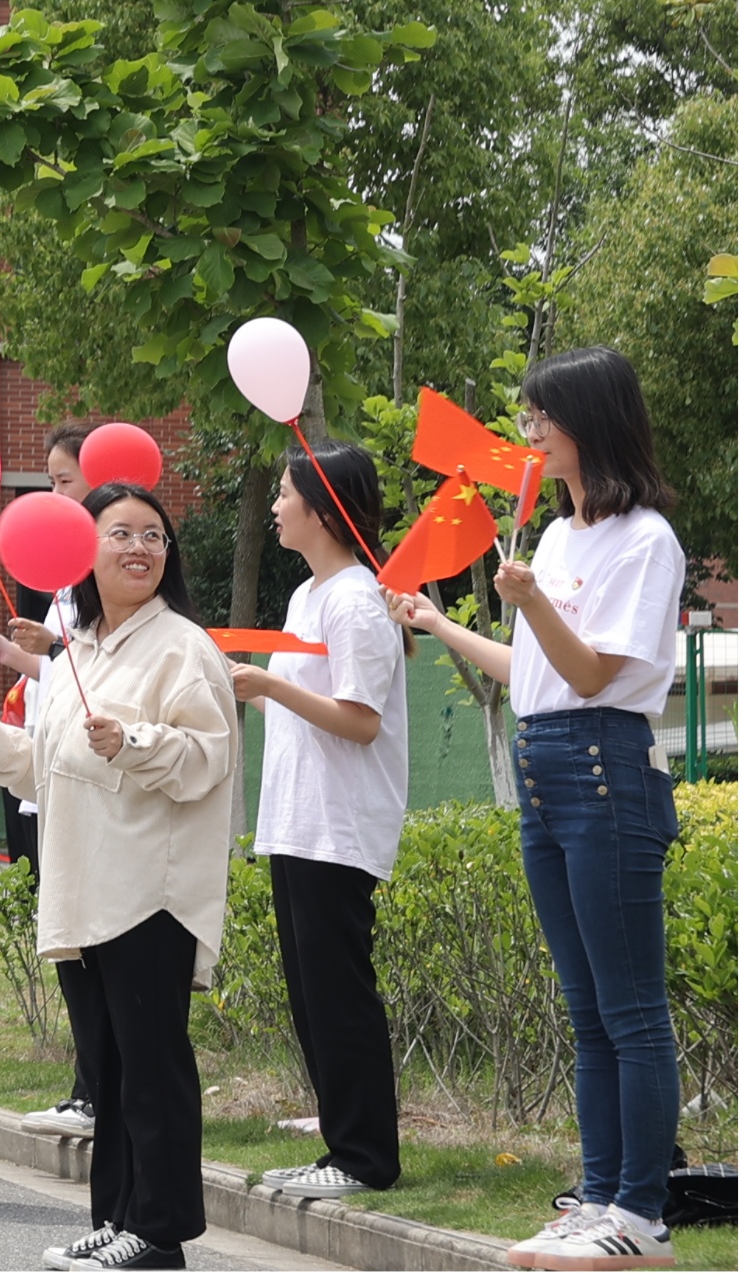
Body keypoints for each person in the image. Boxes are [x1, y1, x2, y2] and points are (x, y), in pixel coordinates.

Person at [390, 348, 692, 1271]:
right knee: (586, 1005)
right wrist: (443, 624)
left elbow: (597, 672)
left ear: (588, 420)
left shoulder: (647, 539)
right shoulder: (557, 537)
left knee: (631, 1005)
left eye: (539, 418)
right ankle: (597, 1196)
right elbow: (535, 676)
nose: (526, 433)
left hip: (607, 764)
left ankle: (641, 1215)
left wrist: (529, 605)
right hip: (547, 760)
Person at [0, 477, 235, 1271]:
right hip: (85, 890)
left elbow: (210, 758)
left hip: (150, 891)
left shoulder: (184, 646)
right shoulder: (82, 649)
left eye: (153, 534)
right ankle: (117, 1215)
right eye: (121, 533)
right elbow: (53, 769)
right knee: (106, 1072)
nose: (140, 547)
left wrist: (135, 742)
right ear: (84, 552)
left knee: (152, 1068)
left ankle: (161, 1231)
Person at [229, 443, 409, 1206]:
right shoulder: (309, 596)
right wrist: (245, 686)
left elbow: (359, 721)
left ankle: (367, 1155)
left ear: (323, 507)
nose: (274, 506)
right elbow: (302, 710)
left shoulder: (355, 600)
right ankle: (344, 1144)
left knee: (338, 994)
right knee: (312, 994)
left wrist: (268, 679)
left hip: (338, 829)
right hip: (298, 824)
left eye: (284, 492)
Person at [0, 422, 101, 1134]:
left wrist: (50, 645)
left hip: (85, 772)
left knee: (90, 942)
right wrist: (18, 648)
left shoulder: (109, 568)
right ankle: (85, 1084)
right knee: (61, 934)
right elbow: (61, 672)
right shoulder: (59, 574)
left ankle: (99, 1089)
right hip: (43, 762)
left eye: (65, 481)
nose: (54, 494)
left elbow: (98, 669)